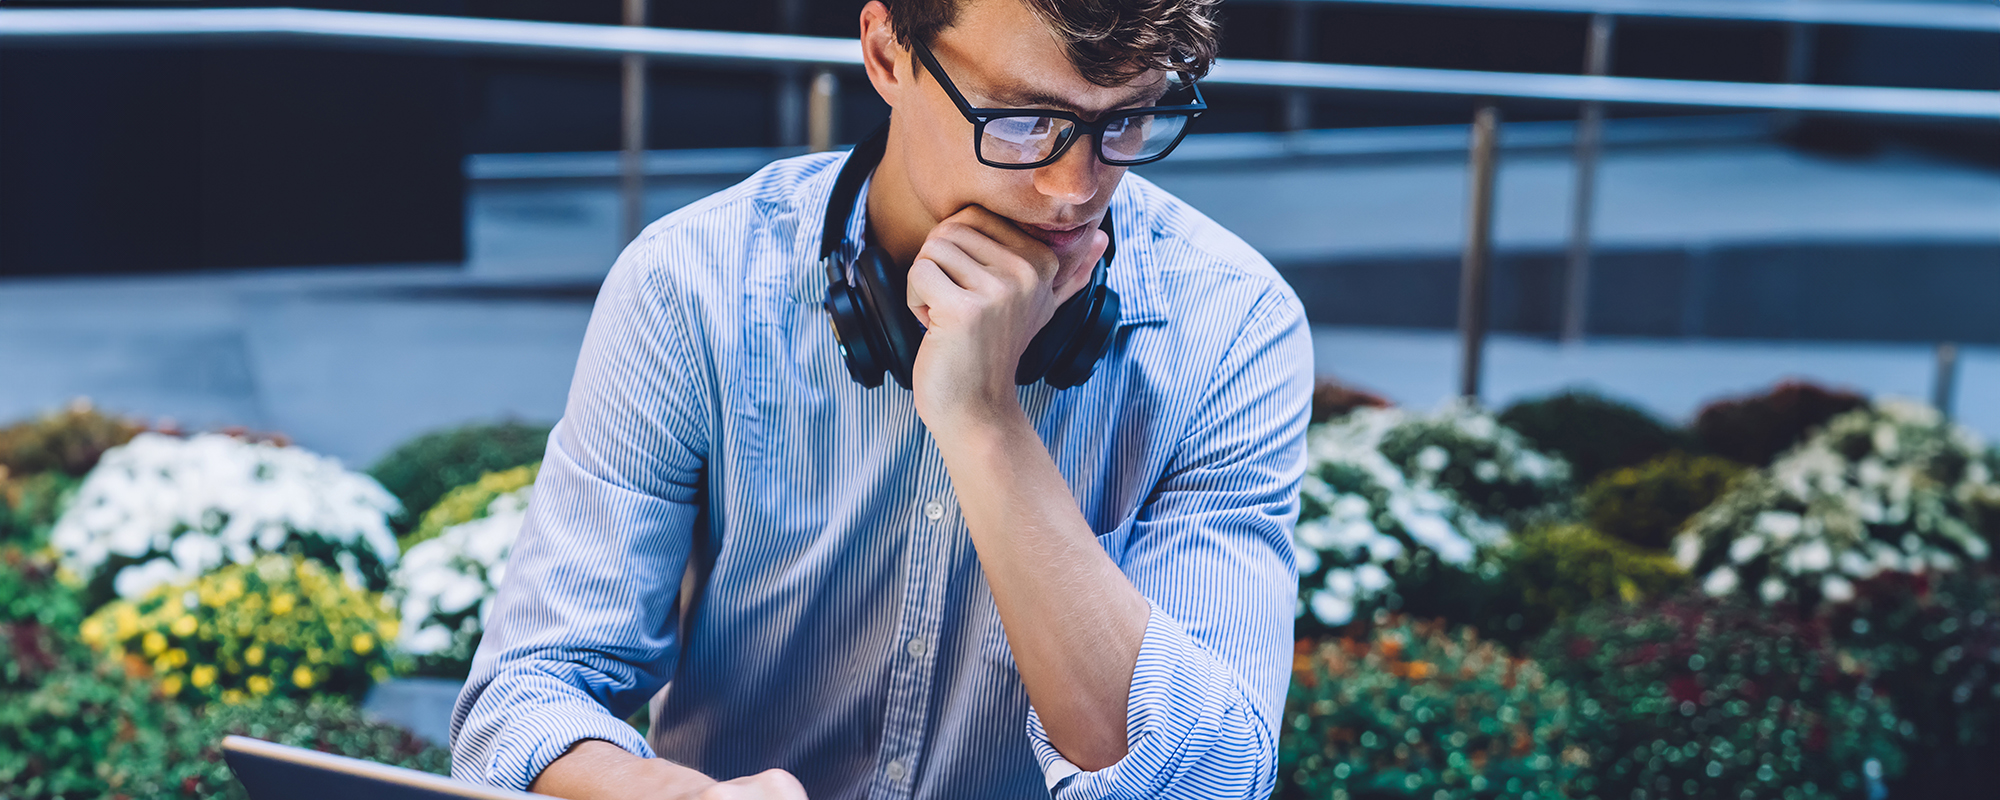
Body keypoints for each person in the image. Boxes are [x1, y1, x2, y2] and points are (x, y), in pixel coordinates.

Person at [449, 0, 1312, 798]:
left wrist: (986, 423)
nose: (1075, 188)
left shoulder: (1230, 324)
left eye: (1126, 118)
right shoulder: (692, 282)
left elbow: (1212, 781)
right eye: (1022, 119)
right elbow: (523, 699)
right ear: (887, 51)